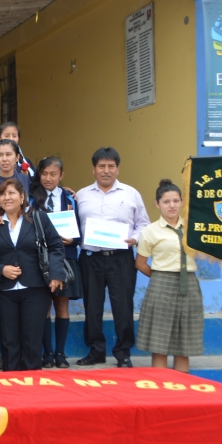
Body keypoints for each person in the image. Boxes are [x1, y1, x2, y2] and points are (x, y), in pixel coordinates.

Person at [74, 147, 150, 368]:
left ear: (117, 168)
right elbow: (74, 225)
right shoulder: (81, 195)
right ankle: (96, 350)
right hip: (91, 258)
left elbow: (143, 224)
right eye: (101, 166)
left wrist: (135, 239)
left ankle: (123, 352)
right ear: (93, 169)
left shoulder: (131, 194)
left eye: (111, 166)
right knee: (92, 306)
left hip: (121, 258)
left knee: (123, 306)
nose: (106, 171)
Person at [0, 178, 65, 371]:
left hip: (35, 288)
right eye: (3, 194)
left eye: (12, 193)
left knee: (32, 340)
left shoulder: (38, 219)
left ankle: (33, 387)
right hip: (5, 291)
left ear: (22, 197)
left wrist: (56, 273)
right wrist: (0, 269)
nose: (7, 197)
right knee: (9, 341)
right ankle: (11, 384)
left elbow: (56, 245)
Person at [136, 179, 203, 373]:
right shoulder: (150, 230)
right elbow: (140, 263)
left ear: (182, 201)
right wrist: (160, 278)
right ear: (157, 204)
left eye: (175, 200)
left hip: (188, 284)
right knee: (160, 340)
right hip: (161, 285)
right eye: (166, 202)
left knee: (184, 343)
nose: (172, 205)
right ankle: (161, 389)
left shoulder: (193, 227)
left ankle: (181, 392)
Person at [31, 156, 83, 369]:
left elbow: (80, 229)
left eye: (53, 174)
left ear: (61, 176)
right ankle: (48, 353)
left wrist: (74, 240)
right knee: (44, 305)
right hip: (41, 258)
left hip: (65, 256)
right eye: (44, 173)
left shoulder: (70, 199)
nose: (48, 178)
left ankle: (60, 353)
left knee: (62, 304)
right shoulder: (33, 198)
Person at [0, 139, 33, 223]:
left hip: (26, 228)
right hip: (2, 229)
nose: (4, 159)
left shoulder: (24, 178)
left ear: (17, 157)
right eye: (0, 155)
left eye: (8, 154)